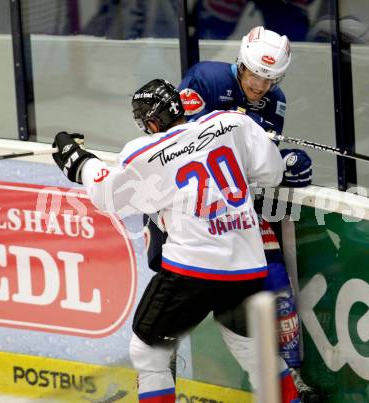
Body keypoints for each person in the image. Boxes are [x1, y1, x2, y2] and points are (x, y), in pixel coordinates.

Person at [51, 78, 311, 402]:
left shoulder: (146, 151)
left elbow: (108, 195)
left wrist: (80, 161)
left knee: (147, 352)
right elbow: (272, 173)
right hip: (247, 266)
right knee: (252, 351)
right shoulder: (232, 123)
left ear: (149, 122)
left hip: (193, 270)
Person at [176, 26, 319, 402]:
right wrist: (252, 147)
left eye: (270, 78)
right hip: (187, 213)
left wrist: (284, 164)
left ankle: (291, 380)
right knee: (171, 305)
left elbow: (259, 167)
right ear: (240, 62)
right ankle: (163, 380)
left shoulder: (276, 101)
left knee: (278, 290)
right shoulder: (204, 78)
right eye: (255, 74)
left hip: (240, 211)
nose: (260, 86)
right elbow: (182, 147)